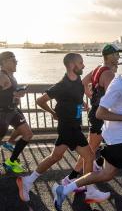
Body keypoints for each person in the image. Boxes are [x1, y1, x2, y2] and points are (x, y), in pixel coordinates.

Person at [52, 52, 122, 211]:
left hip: (117, 138)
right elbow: (100, 113)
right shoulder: (117, 85)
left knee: (106, 174)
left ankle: (64, 189)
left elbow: (119, 105)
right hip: (117, 140)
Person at [16, 53, 109, 203]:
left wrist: (81, 104)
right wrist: (53, 112)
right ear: (72, 66)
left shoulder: (78, 81)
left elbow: (76, 96)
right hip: (69, 128)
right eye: (81, 63)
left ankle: (28, 180)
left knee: (55, 157)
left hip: (71, 127)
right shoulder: (62, 85)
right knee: (89, 156)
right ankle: (90, 191)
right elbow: (40, 100)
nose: (83, 66)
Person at [62, 44, 122, 188]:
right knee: (91, 149)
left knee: (97, 146)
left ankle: (96, 165)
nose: (118, 57)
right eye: (116, 54)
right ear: (109, 56)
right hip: (101, 115)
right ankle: (71, 178)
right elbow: (111, 98)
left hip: (96, 112)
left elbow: (83, 83)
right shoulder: (108, 73)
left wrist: (90, 95)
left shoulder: (97, 69)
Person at [0, 51, 33, 173]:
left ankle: (11, 162)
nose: (16, 63)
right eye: (13, 61)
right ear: (3, 62)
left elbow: (10, 95)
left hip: (12, 111)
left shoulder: (11, 76)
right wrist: (14, 93)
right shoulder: (2, 76)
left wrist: (17, 95)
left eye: (16, 61)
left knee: (28, 134)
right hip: (2, 114)